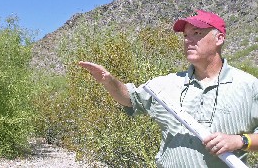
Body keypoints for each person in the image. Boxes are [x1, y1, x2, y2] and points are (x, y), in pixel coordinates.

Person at [79, 9, 258, 167]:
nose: (188, 40)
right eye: (185, 36)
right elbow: (129, 98)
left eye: (196, 33)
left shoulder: (249, 86)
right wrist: (109, 81)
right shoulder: (165, 85)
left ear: (219, 38)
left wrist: (240, 141)